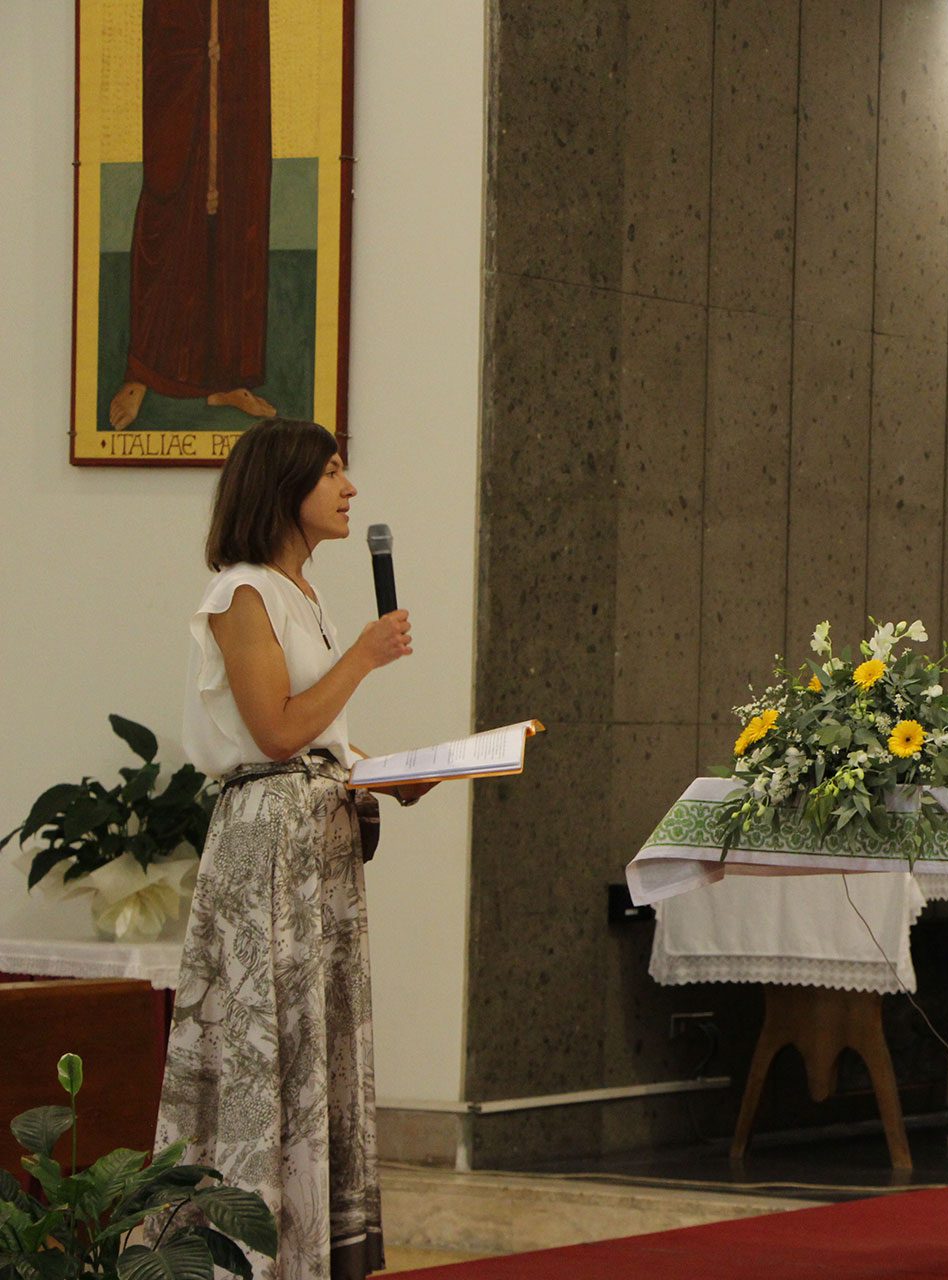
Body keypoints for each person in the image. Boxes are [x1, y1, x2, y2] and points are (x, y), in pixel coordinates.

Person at [158, 418, 424, 1280]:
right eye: (334, 473)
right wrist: (363, 658)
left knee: (316, 1042)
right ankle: (247, 1249)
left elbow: (317, 741)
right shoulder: (243, 592)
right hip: (266, 846)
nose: (350, 490)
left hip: (316, 842)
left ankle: (312, 1247)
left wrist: (388, 774)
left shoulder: (301, 593)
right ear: (286, 488)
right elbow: (273, 733)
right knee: (266, 1044)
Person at [108, 0, 278, 428]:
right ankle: (144, 369)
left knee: (241, 190)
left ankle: (229, 375)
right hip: (180, 26)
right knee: (170, 187)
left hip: (240, 26)